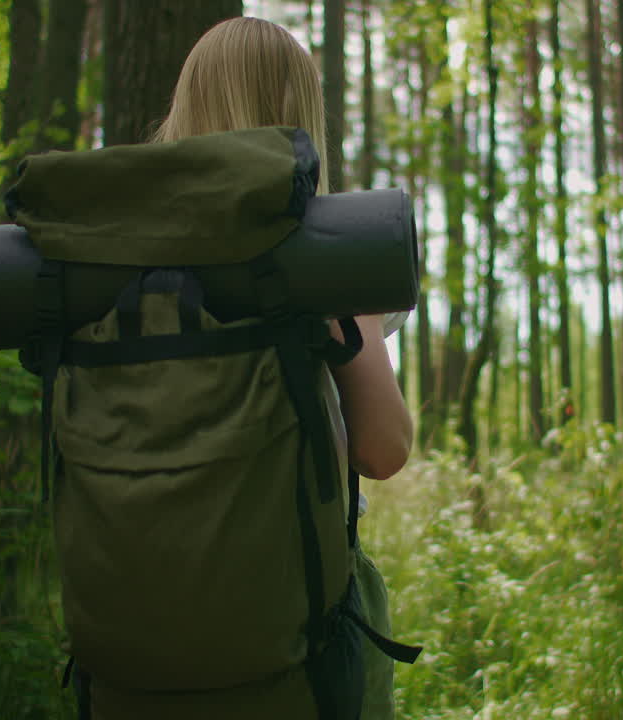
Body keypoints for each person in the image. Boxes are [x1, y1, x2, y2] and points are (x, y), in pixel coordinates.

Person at [150, 15, 413, 719]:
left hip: (143, 609)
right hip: (294, 621)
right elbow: (384, 450)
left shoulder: (116, 260)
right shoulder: (328, 256)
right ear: (299, 112)